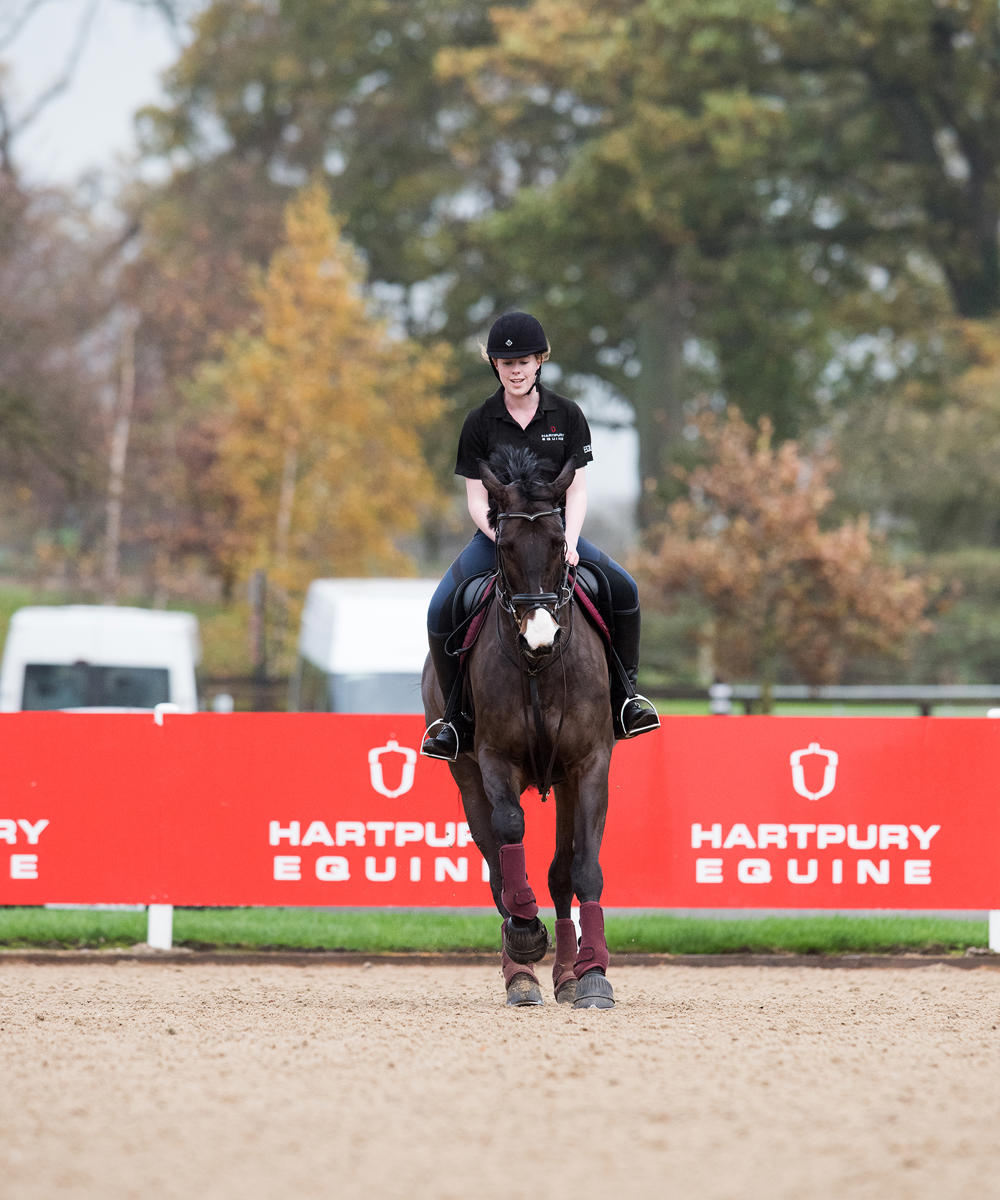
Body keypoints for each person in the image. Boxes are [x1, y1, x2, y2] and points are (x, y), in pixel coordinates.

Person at [421, 311, 660, 760]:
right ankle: (453, 721)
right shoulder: (478, 422)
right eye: (507, 363)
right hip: (498, 537)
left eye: (524, 362)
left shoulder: (567, 414)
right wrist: (501, 539)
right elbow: (475, 499)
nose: (516, 371)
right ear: (495, 365)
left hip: (557, 536)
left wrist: (570, 541)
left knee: (624, 589)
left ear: (540, 362)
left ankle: (626, 699)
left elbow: (578, 490)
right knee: (440, 607)